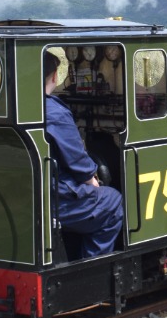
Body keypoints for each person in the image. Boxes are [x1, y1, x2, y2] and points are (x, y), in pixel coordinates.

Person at [43, 50, 124, 259]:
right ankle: (92, 267)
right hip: (55, 198)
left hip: (32, 192)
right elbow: (77, 160)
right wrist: (91, 179)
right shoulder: (55, 113)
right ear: (55, 76)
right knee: (113, 202)